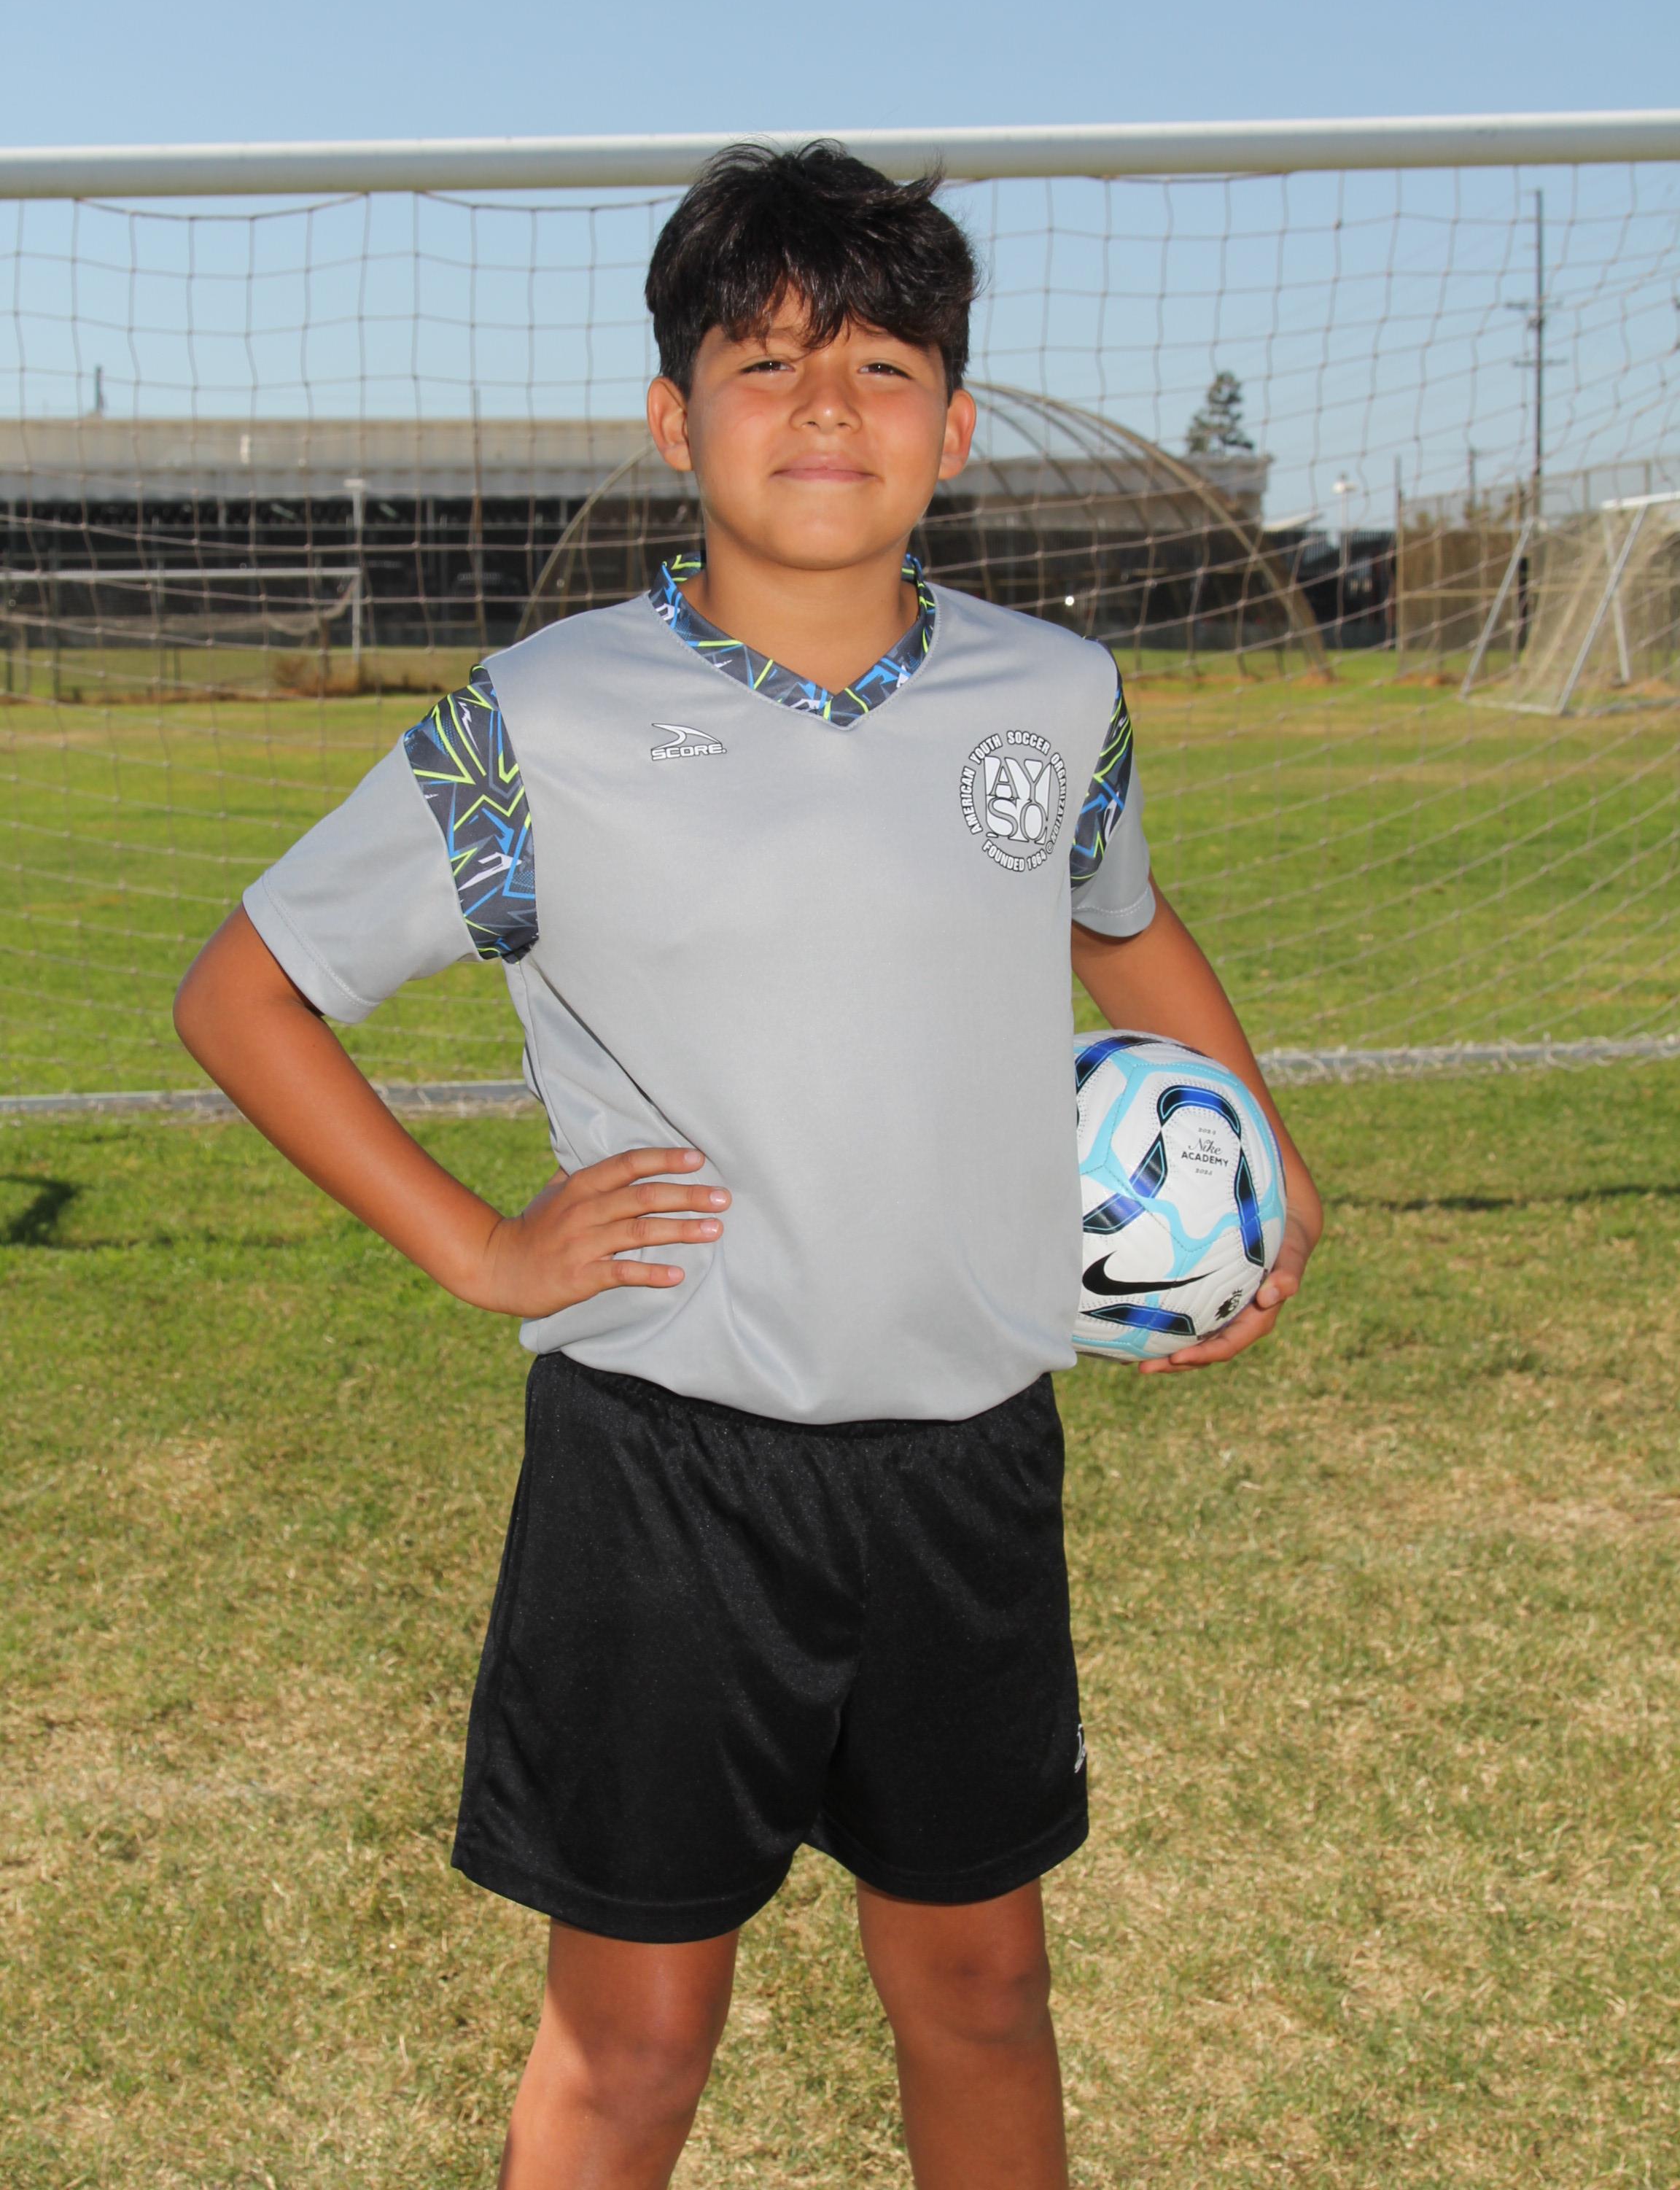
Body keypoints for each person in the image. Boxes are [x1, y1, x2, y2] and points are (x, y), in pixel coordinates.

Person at [174, 141, 1323, 2190]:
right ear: (671, 417)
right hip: (669, 1474)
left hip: (969, 1462)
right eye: (765, 361)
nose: (824, 407)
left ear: (954, 429)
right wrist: (480, 1247)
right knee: (635, 2042)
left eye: (883, 366)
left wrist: (1266, 1161)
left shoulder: (1056, 696)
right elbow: (244, 993)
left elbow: (1123, 922)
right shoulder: (538, 720)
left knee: (984, 1987)